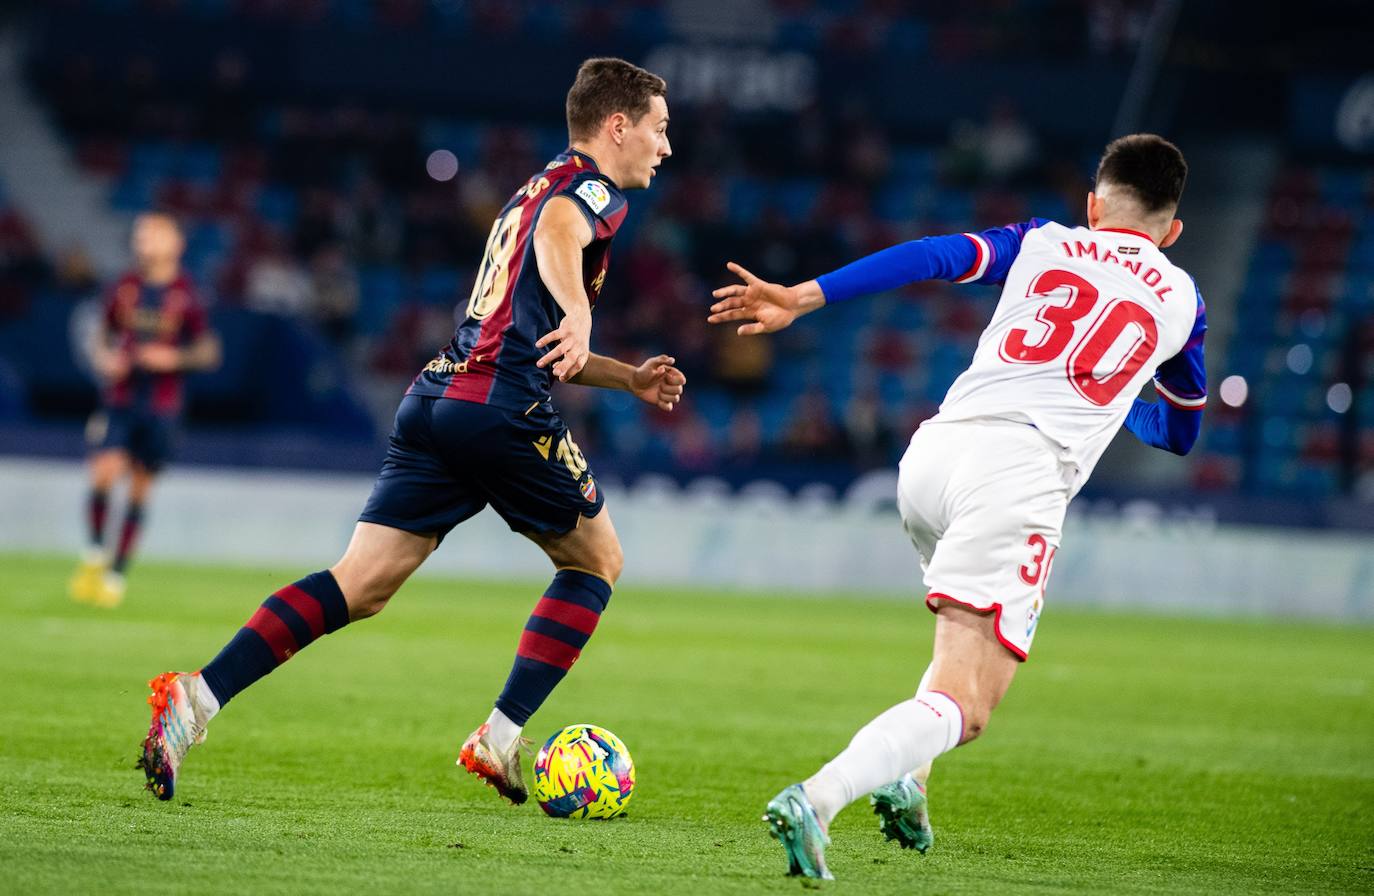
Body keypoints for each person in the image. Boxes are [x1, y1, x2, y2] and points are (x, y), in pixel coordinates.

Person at [137, 58, 684, 803]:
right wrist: (584, 313)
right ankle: (498, 737)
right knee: (595, 564)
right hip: (502, 407)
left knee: (358, 585)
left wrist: (626, 376)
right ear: (617, 126)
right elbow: (562, 241)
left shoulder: (530, 189)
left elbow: (529, 333)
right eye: (658, 129)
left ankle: (195, 699)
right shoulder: (588, 192)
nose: (665, 146)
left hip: (439, 394)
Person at [709, 134, 1206, 879]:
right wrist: (1120, 384)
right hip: (1019, 477)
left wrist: (804, 295)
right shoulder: (1182, 296)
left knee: (954, 662)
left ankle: (910, 781)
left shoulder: (1043, 240)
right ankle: (818, 798)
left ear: (1093, 205)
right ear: (1172, 231)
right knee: (969, 706)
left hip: (935, 454)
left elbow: (934, 254)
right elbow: (1180, 429)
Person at [70, 212, 221, 608]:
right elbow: (101, 335)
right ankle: (93, 555)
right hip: (119, 398)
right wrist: (104, 358)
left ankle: (115, 576)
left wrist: (172, 357)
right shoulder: (123, 287)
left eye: (154, 235)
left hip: (162, 406)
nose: (144, 242)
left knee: (139, 485)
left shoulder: (188, 293)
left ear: (176, 243)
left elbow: (208, 351)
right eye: (140, 235)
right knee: (104, 470)